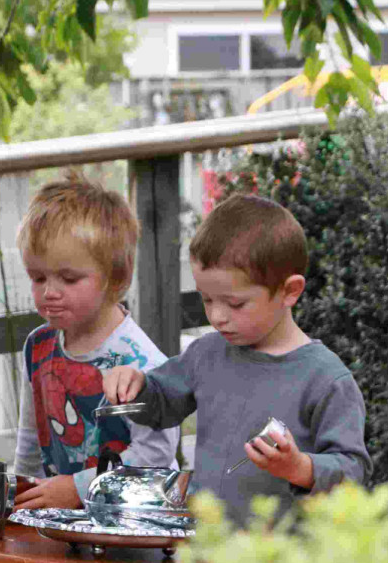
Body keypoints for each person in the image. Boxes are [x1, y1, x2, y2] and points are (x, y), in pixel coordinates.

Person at [103, 193, 372, 526]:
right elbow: (159, 405)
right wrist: (136, 385)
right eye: (207, 299)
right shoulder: (207, 354)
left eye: (235, 304)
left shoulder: (327, 380)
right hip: (206, 548)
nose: (217, 316)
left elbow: (354, 471)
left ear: (290, 291)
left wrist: (301, 468)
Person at [13, 171, 180, 510]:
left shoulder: (142, 365)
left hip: (134, 527)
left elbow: (155, 459)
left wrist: (78, 488)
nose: (49, 292)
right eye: (38, 277)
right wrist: (19, 495)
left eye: (69, 278)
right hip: (63, 522)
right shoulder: (39, 346)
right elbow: (31, 439)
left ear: (114, 277)